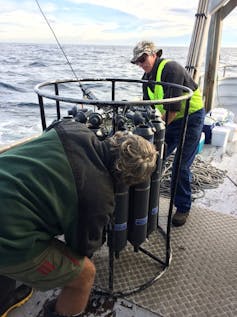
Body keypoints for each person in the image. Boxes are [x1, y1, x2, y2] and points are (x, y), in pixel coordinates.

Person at [0, 118, 157, 317]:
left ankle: (3, 300)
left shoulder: (71, 127)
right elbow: (82, 249)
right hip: (8, 237)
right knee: (84, 275)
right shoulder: (98, 198)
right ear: (126, 180)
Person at [131, 40, 205, 227]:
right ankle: (146, 202)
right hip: (168, 121)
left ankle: (183, 206)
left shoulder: (170, 69)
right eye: (137, 61)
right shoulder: (146, 80)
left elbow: (172, 109)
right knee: (152, 158)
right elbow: (149, 108)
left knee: (180, 166)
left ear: (154, 54)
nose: (141, 63)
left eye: (143, 58)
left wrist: (156, 131)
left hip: (190, 118)